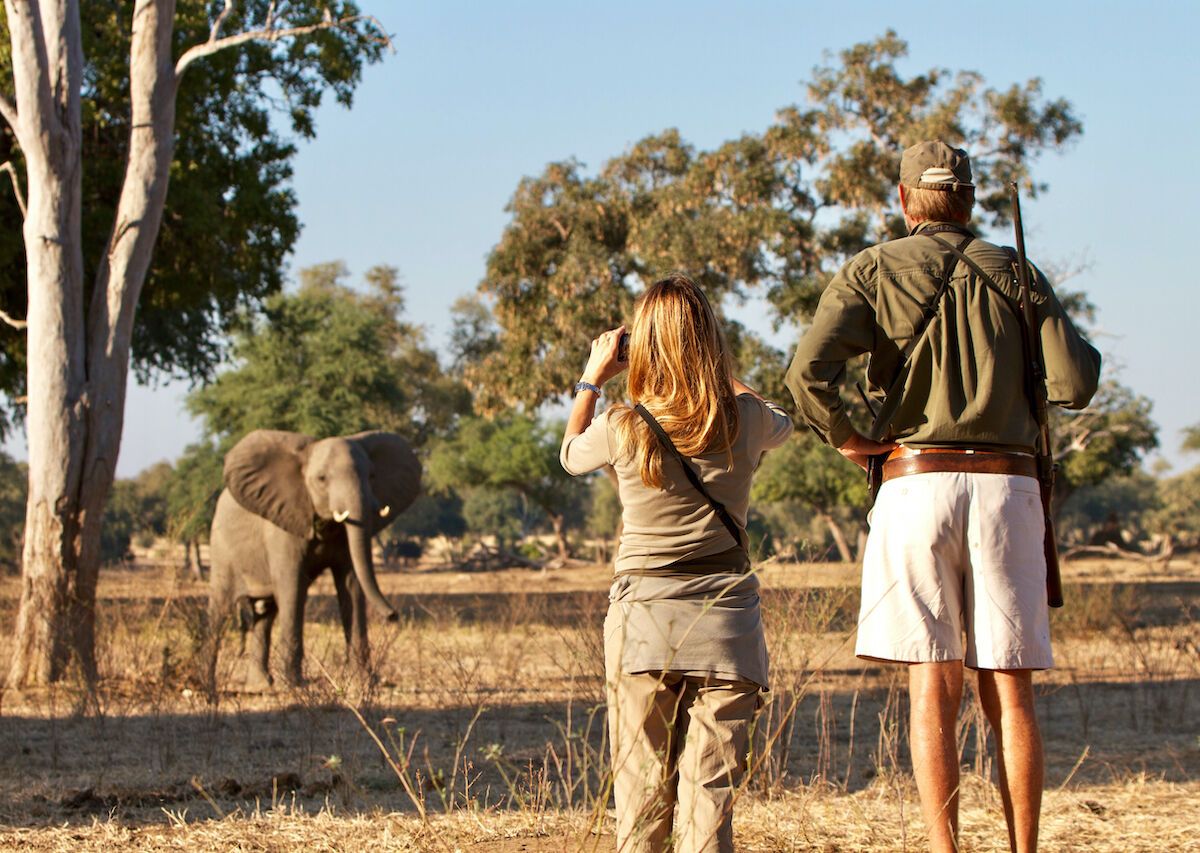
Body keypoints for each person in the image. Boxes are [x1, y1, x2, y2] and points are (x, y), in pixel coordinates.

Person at [785, 141, 1100, 853]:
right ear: (968, 199)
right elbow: (1076, 384)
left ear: (904, 201)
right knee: (1010, 689)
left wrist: (848, 437)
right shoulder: (1017, 272)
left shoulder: (872, 269)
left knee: (933, 680)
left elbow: (807, 373)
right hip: (1009, 486)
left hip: (913, 481)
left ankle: (943, 848)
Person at [560, 273, 793, 852]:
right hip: (728, 625)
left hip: (644, 622)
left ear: (643, 345)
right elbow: (779, 415)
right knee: (710, 797)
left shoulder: (622, 425)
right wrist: (715, 369)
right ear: (710, 341)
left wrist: (593, 376)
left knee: (641, 796)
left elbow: (569, 455)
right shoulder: (747, 418)